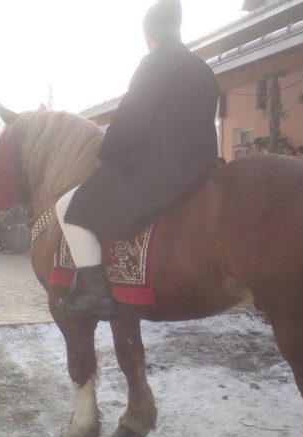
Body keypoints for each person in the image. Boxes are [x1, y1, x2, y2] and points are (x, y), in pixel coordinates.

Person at [55, 0, 220, 318]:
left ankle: (98, 294)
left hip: (160, 169)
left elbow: (131, 120)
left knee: (67, 207)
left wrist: (107, 152)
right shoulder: (203, 68)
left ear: (148, 32)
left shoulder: (154, 63)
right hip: (202, 167)